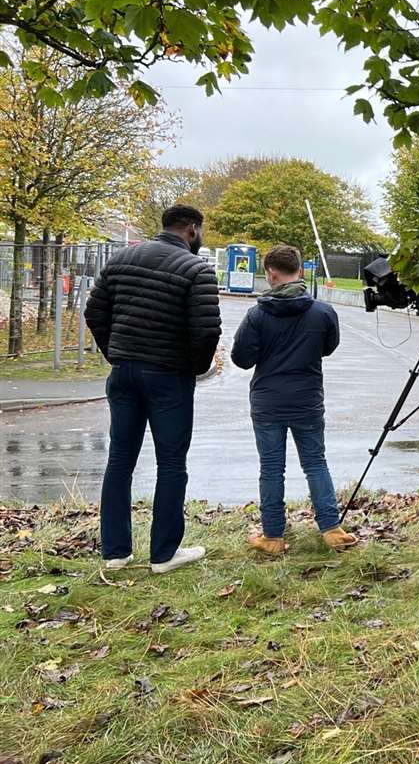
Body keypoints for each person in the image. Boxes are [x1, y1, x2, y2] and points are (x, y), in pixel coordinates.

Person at [84, 204, 220, 574]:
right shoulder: (196, 270)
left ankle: (115, 551)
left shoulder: (120, 260)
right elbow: (207, 330)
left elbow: (94, 313)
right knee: (172, 462)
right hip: (169, 376)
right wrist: (193, 368)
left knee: (120, 459)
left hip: (125, 372)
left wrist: (116, 352)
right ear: (193, 229)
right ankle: (163, 554)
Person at [230, 245, 355, 555]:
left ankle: (272, 536)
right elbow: (328, 347)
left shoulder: (257, 315)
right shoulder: (323, 313)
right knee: (315, 462)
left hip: (268, 401)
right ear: (299, 270)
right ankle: (331, 528)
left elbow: (241, 359)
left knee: (271, 468)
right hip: (307, 399)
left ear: (271, 274)